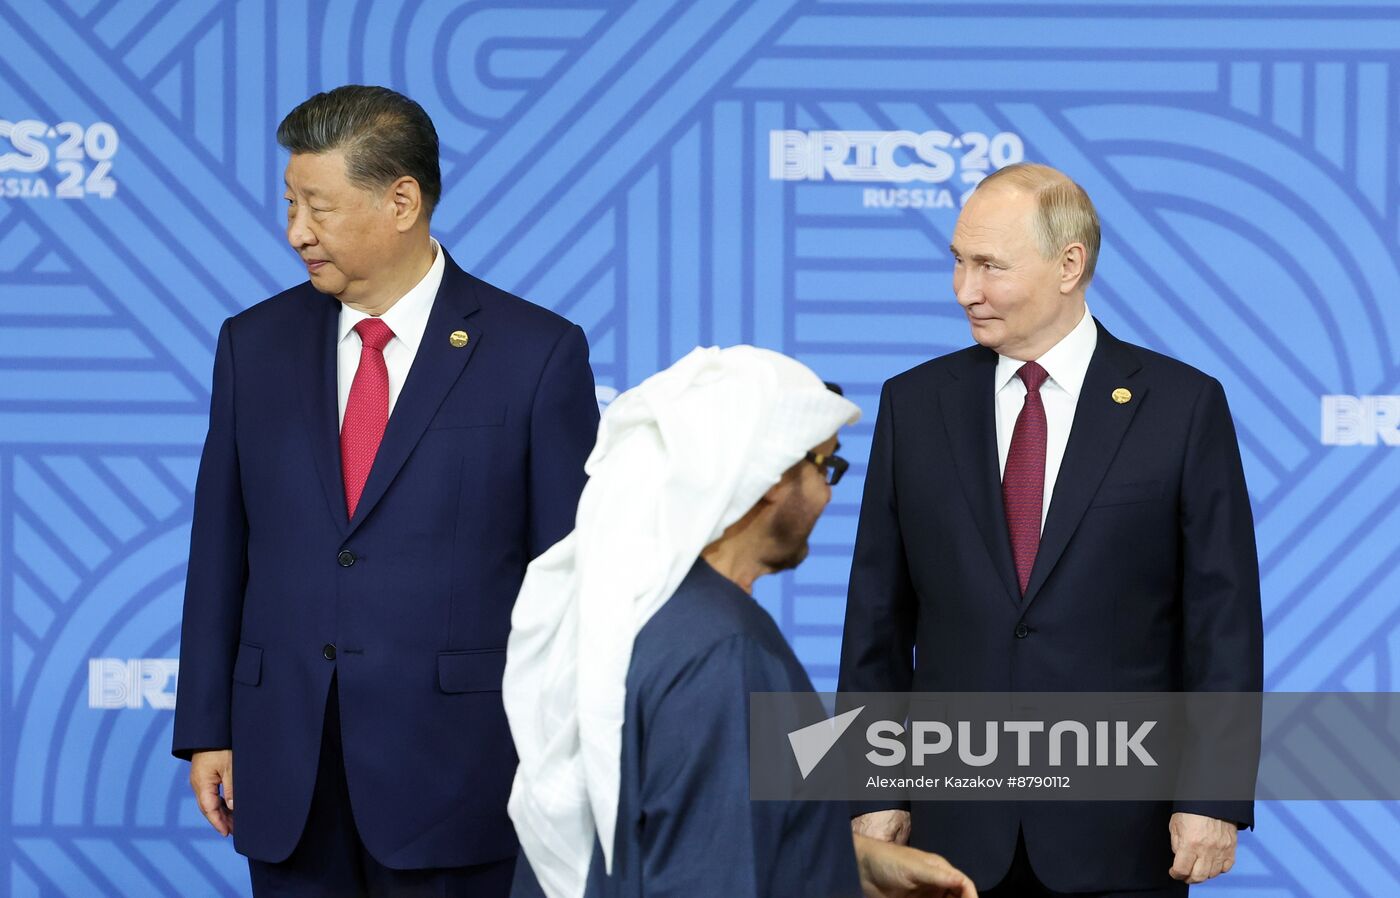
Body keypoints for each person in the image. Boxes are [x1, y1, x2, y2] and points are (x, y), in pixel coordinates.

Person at [171, 85, 599, 897]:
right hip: (286, 762)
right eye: (291, 204)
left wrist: (563, 758)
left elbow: (567, 576)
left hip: (461, 771)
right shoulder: (251, 344)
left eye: (318, 208)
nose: (296, 232)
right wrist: (207, 727)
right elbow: (219, 547)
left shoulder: (535, 353)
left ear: (402, 199)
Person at [839, 163, 1263, 896]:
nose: (963, 290)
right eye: (958, 262)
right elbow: (876, 618)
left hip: (1121, 834)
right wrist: (871, 790)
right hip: (953, 835)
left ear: (1070, 265)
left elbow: (1222, 624)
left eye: (989, 266)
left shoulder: (1181, 406)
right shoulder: (914, 404)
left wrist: (1213, 796)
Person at [504, 347, 978, 898]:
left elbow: (675, 837)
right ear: (772, 475)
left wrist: (853, 866)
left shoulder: (625, 615)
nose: (827, 492)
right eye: (824, 465)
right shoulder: (724, 653)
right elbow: (705, 876)